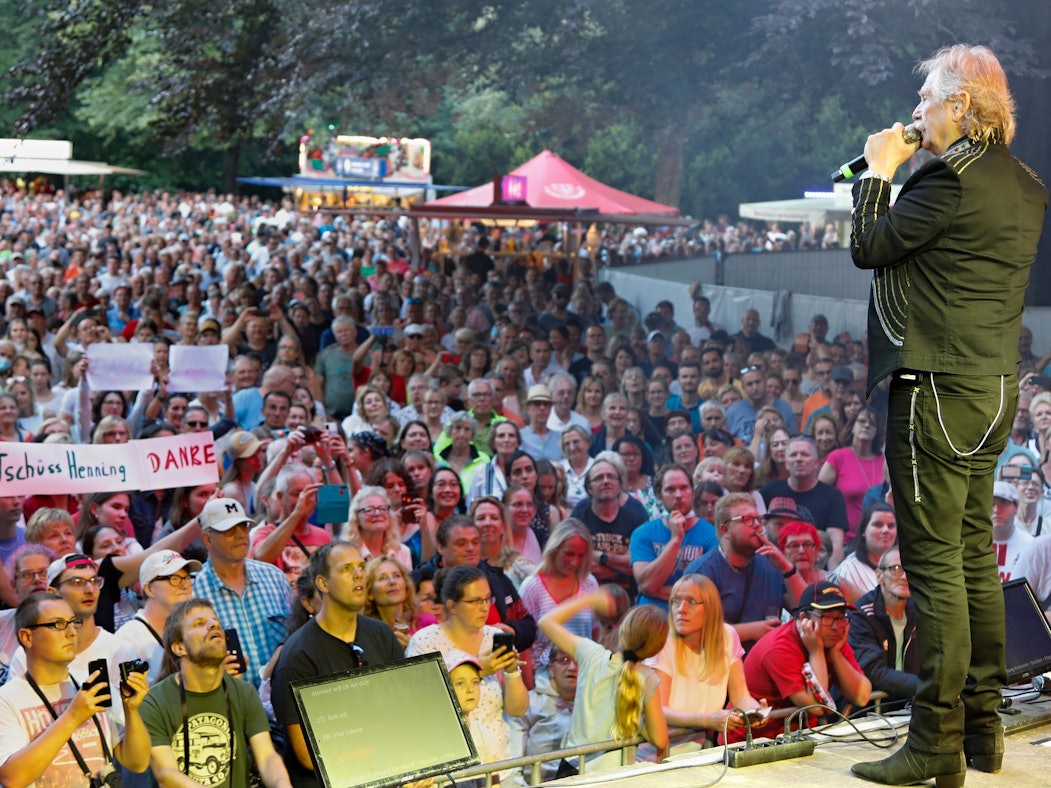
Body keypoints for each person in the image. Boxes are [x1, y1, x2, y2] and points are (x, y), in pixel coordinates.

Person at [849, 45, 1046, 786]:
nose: (918, 113)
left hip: (934, 387)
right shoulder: (1025, 184)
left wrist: (877, 172)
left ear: (961, 106)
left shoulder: (945, 177)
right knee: (971, 561)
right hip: (993, 389)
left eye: (928, 100)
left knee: (934, 570)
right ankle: (981, 731)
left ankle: (934, 742)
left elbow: (870, 246)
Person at [272, 541, 404, 785]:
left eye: (361, 567)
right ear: (322, 583)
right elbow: (306, 755)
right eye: (346, 569)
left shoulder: (381, 634)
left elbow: (403, 707)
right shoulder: (297, 655)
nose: (358, 575)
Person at [0, 592, 151, 785]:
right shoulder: (6, 699)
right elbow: (12, 778)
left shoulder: (91, 684)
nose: (71, 632)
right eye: (58, 624)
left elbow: (137, 762)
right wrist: (72, 717)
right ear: (27, 637)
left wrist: (132, 711)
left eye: (73, 622)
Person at [139, 597, 291, 787]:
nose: (213, 625)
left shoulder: (244, 692)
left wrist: (282, 784)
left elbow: (267, 756)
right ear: (179, 647)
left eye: (215, 621)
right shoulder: (155, 701)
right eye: (199, 623)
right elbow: (166, 773)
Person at [538, 588, 669, 767]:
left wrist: (588, 600)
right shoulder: (647, 677)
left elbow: (546, 622)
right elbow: (660, 739)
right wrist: (636, 722)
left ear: (623, 629)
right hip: (611, 774)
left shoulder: (591, 654)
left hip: (572, 768)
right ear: (657, 648)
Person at [740, 581, 871, 743]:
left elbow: (862, 697)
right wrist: (816, 651)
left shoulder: (832, 639)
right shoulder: (779, 648)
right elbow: (816, 708)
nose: (836, 627)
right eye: (827, 617)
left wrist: (836, 654)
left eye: (840, 618)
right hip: (753, 740)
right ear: (804, 618)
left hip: (798, 737)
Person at [651, 574, 763, 747]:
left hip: (698, 751)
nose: (681, 609)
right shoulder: (663, 642)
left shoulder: (727, 636)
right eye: (676, 601)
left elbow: (741, 696)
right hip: (655, 755)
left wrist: (755, 711)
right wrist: (707, 720)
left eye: (691, 602)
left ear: (711, 607)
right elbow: (657, 711)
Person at [684, 493, 806, 652]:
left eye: (759, 520)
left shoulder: (771, 565)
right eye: (747, 520)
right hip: (715, 666)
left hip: (764, 663)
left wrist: (787, 568)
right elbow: (692, 633)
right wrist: (751, 631)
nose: (757, 526)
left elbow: (806, 611)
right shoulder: (702, 572)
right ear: (725, 529)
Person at [192, 497, 291, 688]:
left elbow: (295, 636)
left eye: (244, 527)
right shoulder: (193, 592)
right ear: (207, 539)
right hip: (231, 703)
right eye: (228, 530)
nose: (240, 535)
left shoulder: (274, 577)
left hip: (282, 698)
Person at [630, 465, 719, 609]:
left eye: (684, 488)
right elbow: (647, 585)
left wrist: (657, 591)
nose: (678, 495)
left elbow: (707, 591)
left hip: (694, 619)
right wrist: (675, 540)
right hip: (650, 620)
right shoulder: (642, 533)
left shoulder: (712, 535)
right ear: (659, 496)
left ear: (693, 493)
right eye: (670, 489)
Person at [114, 550, 202, 684]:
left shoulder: (197, 627)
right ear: (149, 589)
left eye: (187, 578)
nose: (185, 585)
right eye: (174, 579)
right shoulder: (127, 639)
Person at [760, 436, 849, 568]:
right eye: (793, 455)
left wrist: (832, 579)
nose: (799, 459)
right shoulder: (769, 491)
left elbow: (835, 545)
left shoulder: (833, 496)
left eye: (805, 454)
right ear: (786, 463)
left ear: (817, 463)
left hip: (816, 568)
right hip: (775, 568)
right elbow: (763, 535)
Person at [848, 547, 919, 707]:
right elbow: (873, 671)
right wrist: (924, 687)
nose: (904, 577)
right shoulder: (862, 615)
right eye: (896, 569)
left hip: (908, 706)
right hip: (870, 711)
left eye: (910, 569)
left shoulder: (920, 611)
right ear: (879, 576)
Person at [506, 644, 577, 786]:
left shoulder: (592, 704)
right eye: (563, 660)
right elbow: (512, 759)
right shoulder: (529, 703)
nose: (572, 668)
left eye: (578, 661)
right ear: (551, 669)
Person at [829, 502, 898, 605]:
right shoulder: (848, 570)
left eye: (891, 526)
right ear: (863, 531)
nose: (885, 530)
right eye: (878, 525)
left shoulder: (905, 564)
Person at [990, 480, 1032, 583]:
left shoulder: (1030, 545)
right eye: (991, 504)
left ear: (1016, 508)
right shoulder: (974, 542)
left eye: (1003, 503)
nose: (996, 509)